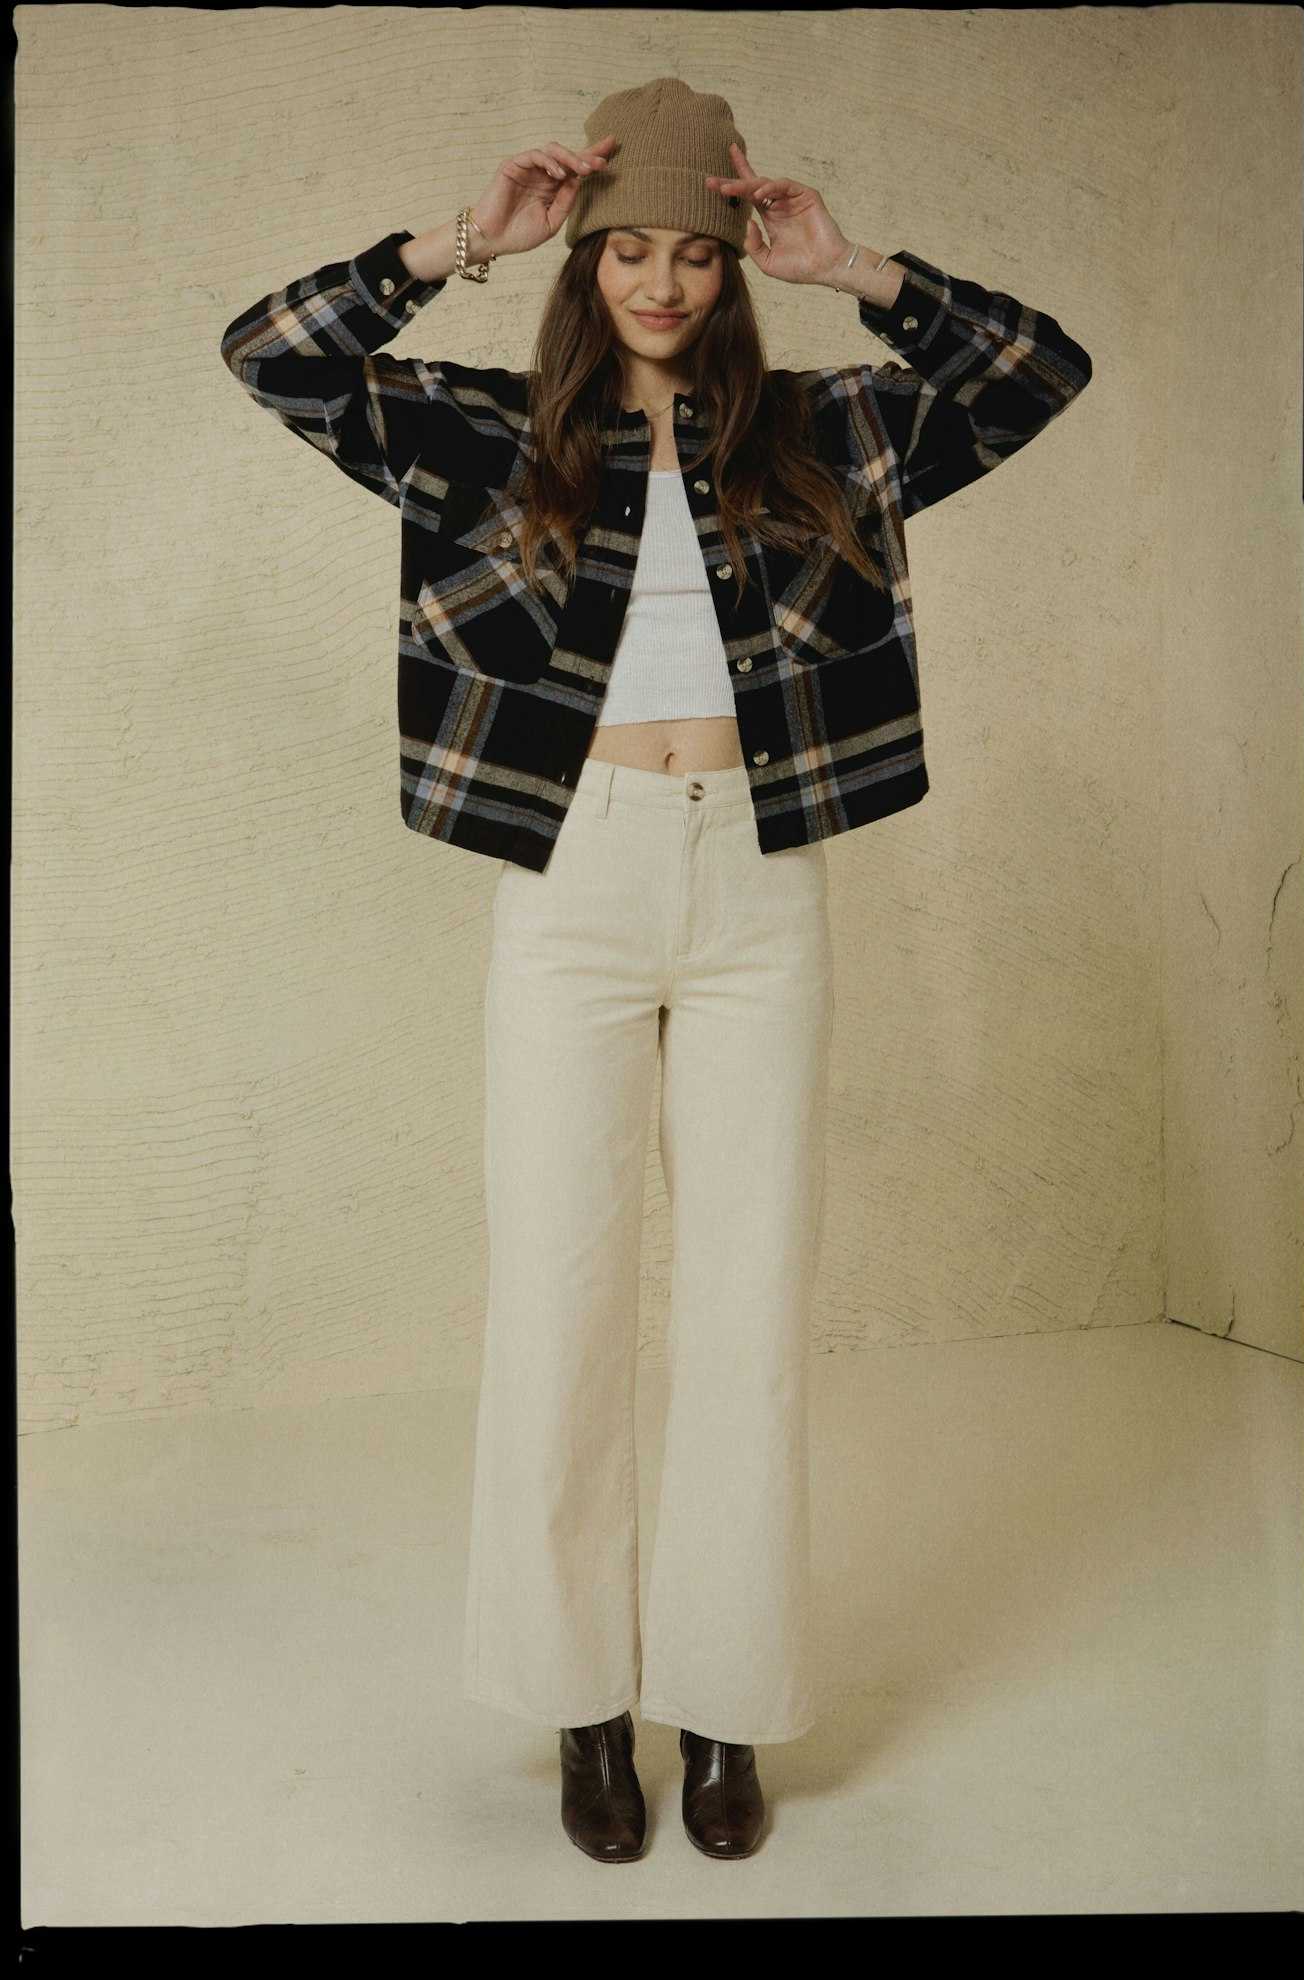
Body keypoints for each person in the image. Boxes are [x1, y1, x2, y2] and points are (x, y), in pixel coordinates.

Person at [221, 74, 1092, 1864]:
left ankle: (723, 1706)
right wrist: (460, 242)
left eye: (693, 253)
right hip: (573, 882)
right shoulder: (481, 432)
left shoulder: (827, 431)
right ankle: (577, 1704)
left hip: (760, 886)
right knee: (560, 1299)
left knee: (750, 1309)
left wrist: (855, 270)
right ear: (585, 258)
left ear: (730, 264)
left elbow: (1035, 372)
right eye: (627, 250)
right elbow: (272, 355)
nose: (660, 282)